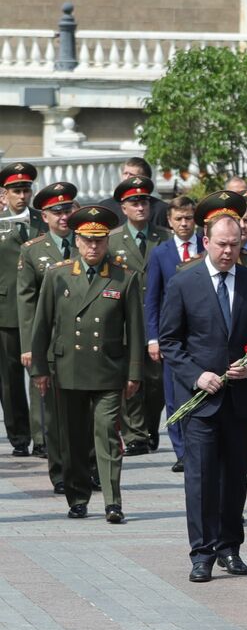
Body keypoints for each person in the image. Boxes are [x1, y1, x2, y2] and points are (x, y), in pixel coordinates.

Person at [158, 193, 247, 584]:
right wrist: (197, 376)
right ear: (206, 241)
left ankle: (231, 547)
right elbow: (170, 342)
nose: (229, 251)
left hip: (240, 399)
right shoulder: (184, 282)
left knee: (234, 478)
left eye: (235, 244)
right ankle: (202, 553)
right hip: (200, 400)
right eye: (222, 244)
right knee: (200, 478)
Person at [29, 205, 143, 523]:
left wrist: (134, 372)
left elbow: (135, 330)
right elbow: (41, 325)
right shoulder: (57, 275)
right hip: (68, 371)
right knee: (74, 438)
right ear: (77, 240)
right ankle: (78, 497)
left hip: (108, 370)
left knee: (106, 432)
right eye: (87, 240)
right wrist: (39, 368)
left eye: (100, 240)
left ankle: (112, 501)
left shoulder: (124, 277)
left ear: (108, 242)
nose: (93, 247)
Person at [18, 181, 80, 494]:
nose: (63, 216)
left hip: (86, 342)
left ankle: (88, 469)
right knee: (54, 412)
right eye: (57, 211)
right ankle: (59, 471)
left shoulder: (88, 243)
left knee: (88, 410)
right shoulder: (33, 251)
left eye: (68, 209)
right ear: (45, 216)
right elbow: (26, 302)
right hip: (51, 342)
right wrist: (29, 345)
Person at [103, 176, 171, 457]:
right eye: (134, 202)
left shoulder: (164, 237)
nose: (141, 206)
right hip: (125, 318)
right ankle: (135, 434)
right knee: (131, 376)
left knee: (156, 382)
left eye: (145, 201)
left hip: (159, 318)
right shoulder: (113, 239)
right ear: (124, 207)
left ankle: (151, 427)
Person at [144, 195, 202, 472]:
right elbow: (152, 298)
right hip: (171, 333)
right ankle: (181, 450)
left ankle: (197, 444)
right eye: (178, 219)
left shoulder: (207, 246)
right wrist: (153, 337)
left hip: (201, 331)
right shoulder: (161, 252)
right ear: (169, 221)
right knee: (172, 393)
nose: (184, 224)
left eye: (188, 218)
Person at [0, 162, 42, 457]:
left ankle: (43, 437)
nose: (22, 195)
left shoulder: (42, 221)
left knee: (42, 374)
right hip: (6, 310)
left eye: (26, 189)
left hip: (42, 308)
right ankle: (19, 437)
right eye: (16, 190)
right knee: (10, 379)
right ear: (4, 193)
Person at [97, 156, 171, 228]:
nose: (127, 178)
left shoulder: (161, 210)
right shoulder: (106, 207)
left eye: (132, 175)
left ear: (145, 179)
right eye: (125, 173)